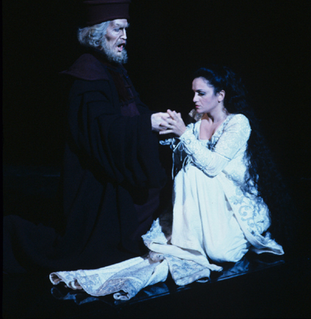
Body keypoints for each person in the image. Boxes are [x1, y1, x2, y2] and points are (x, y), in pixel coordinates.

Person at [49, 64, 294, 301]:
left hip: (229, 200)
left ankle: (209, 236)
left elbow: (213, 166)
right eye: (193, 93)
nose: (195, 99)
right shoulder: (198, 122)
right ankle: (190, 238)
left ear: (220, 95)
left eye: (201, 93)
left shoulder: (238, 123)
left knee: (222, 252)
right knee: (189, 172)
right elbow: (184, 155)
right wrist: (168, 134)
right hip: (203, 200)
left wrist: (183, 134)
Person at [3, 0, 171, 273]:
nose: (125, 37)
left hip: (118, 176)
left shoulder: (113, 70)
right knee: (76, 250)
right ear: (96, 32)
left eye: (126, 29)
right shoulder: (88, 74)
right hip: (97, 183)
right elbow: (102, 130)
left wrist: (158, 120)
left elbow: (132, 111)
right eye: (118, 29)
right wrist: (146, 124)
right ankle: (12, 235)